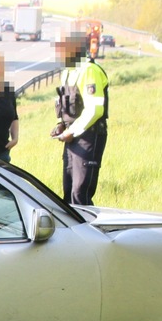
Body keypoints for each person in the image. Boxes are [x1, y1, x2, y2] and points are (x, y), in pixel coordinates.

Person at [52, 30, 109, 206]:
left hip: (88, 136)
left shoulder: (89, 70)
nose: (58, 53)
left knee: (80, 193)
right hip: (71, 137)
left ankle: (88, 232)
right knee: (68, 192)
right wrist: (61, 124)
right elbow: (68, 105)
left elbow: (94, 109)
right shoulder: (68, 72)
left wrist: (72, 131)